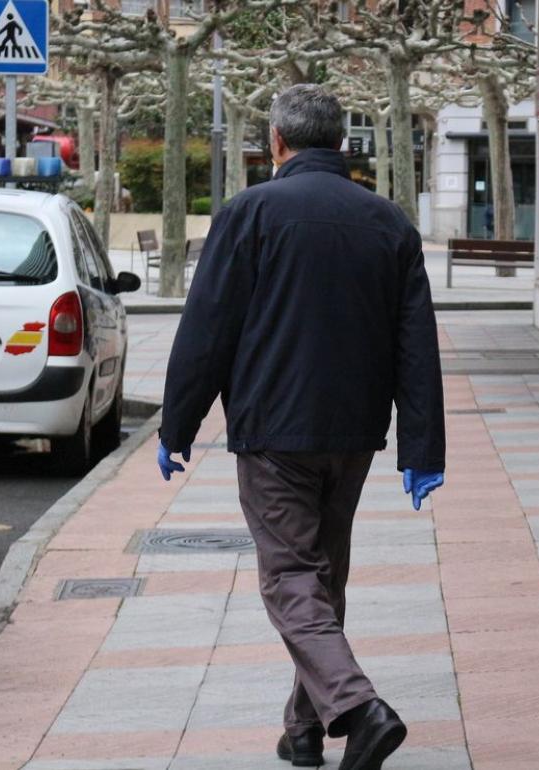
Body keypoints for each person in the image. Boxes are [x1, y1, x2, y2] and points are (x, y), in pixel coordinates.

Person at [157, 84, 446, 770]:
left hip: (273, 431)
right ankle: (304, 729)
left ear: (276, 143)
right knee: (321, 577)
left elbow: (208, 329)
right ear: (342, 145)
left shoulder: (247, 213)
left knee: (289, 576)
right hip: (353, 433)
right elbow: (416, 343)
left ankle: (358, 707)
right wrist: (422, 446)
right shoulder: (389, 223)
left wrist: (178, 424)